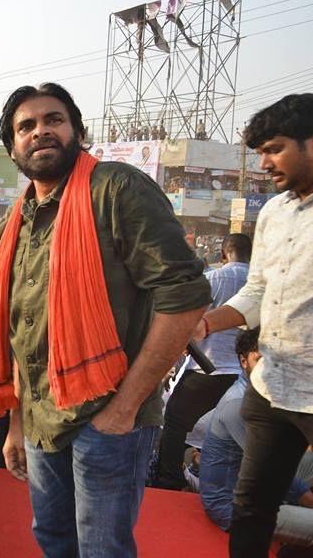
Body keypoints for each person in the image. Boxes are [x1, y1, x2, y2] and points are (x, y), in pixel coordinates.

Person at [0, 83, 210, 557]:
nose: (40, 131)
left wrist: (123, 408)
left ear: (77, 131)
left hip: (108, 416)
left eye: (53, 120)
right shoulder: (18, 218)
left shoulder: (117, 189)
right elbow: (22, 332)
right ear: (12, 148)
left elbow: (185, 296)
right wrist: (18, 427)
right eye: (26, 126)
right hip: (43, 416)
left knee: (102, 550)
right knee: (54, 539)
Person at [190, 94, 313, 557]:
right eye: (260, 152)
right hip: (269, 386)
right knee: (251, 507)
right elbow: (258, 293)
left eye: (275, 148)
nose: (264, 163)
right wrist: (206, 324)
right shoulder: (275, 212)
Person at [198, 328, 313, 550]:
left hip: (258, 481)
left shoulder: (266, 392)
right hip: (232, 505)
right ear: (243, 361)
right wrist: (308, 500)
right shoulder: (238, 403)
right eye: (261, 360)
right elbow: (270, 469)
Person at [154, 233, 252, 490]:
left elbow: (182, 321)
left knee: (175, 421)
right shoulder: (258, 282)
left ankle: (168, 481)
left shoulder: (213, 279)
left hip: (207, 368)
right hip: (243, 374)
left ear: (223, 254)